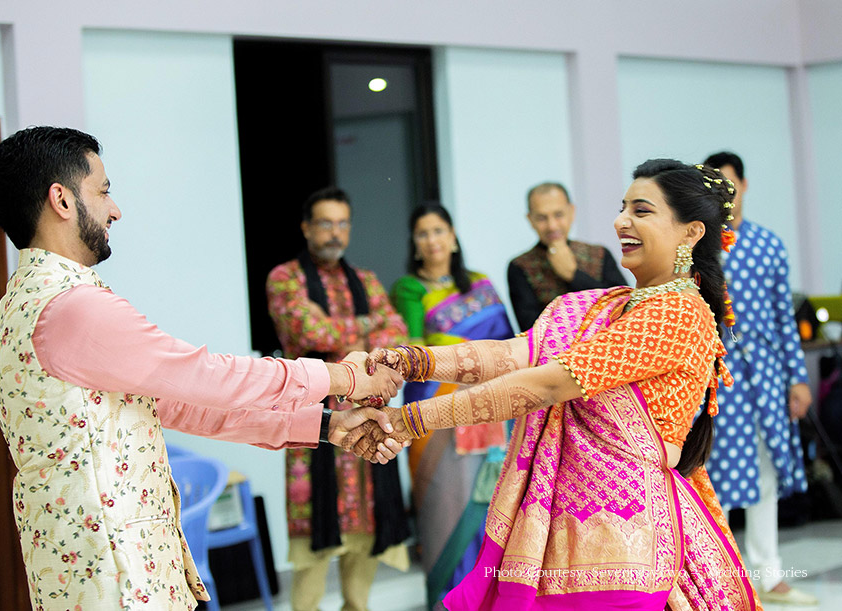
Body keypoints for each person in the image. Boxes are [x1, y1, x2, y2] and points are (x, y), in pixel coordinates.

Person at [0, 127, 405, 611]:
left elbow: (185, 406)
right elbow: (206, 375)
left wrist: (326, 425)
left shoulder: (23, 302)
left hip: (106, 567)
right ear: (60, 199)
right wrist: (345, 378)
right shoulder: (71, 308)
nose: (115, 209)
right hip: (115, 578)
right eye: (102, 191)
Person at [356, 160, 764, 610]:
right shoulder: (602, 305)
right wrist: (408, 361)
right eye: (622, 207)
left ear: (690, 233)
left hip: (626, 537)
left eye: (642, 211)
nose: (621, 220)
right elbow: (514, 355)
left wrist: (409, 419)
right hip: (562, 524)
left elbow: (548, 386)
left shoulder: (678, 313)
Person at [266, 187, 411, 611]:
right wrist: (368, 326)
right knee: (311, 547)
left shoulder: (364, 280)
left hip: (366, 421)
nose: (335, 232)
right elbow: (307, 333)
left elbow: (397, 334)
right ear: (307, 227)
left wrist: (343, 326)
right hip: (314, 421)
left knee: (364, 543)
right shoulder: (285, 278)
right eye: (326, 223)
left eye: (342, 223)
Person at [702, 151, 815, 606]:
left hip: (767, 373)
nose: (725, 196)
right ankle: (719, 578)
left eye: (730, 186)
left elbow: (785, 321)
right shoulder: (698, 246)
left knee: (767, 468)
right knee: (717, 473)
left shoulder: (769, 244)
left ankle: (770, 574)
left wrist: (798, 378)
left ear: (744, 186)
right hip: (718, 373)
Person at [390, 203, 514, 608]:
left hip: (489, 406)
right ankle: (447, 598)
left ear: (454, 236)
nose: (432, 240)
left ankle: (490, 595)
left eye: (439, 230)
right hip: (435, 412)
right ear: (414, 242)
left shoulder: (480, 283)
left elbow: (511, 341)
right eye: (423, 233)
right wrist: (470, 351)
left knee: (489, 502)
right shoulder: (410, 288)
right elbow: (412, 346)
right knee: (445, 509)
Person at [507, 182, 626, 330]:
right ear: (530, 219)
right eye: (542, 218)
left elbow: (623, 306)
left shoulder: (600, 254)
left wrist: (574, 275)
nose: (552, 226)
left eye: (558, 215)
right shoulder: (519, 267)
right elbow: (530, 330)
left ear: (572, 212)